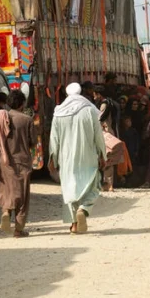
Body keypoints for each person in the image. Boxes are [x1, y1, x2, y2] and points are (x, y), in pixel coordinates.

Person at [48, 83, 105, 234]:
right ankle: (84, 209)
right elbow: (99, 136)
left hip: (66, 158)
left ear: (66, 95)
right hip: (88, 156)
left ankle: (74, 224)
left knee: (69, 188)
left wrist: (52, 159)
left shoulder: (58, 112)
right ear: (81, 93)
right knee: (94, 184)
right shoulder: (89, 110)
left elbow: (54, 140)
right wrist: (103, 154)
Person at [0, 90, 36, 237]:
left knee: (6, 190)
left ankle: (6, 211)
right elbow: (33, 142)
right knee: (23, 196)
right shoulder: (27, 120)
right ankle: (18, 230)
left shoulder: (1, 118)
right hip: (22, 162)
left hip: (4, 162)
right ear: (22, 104)